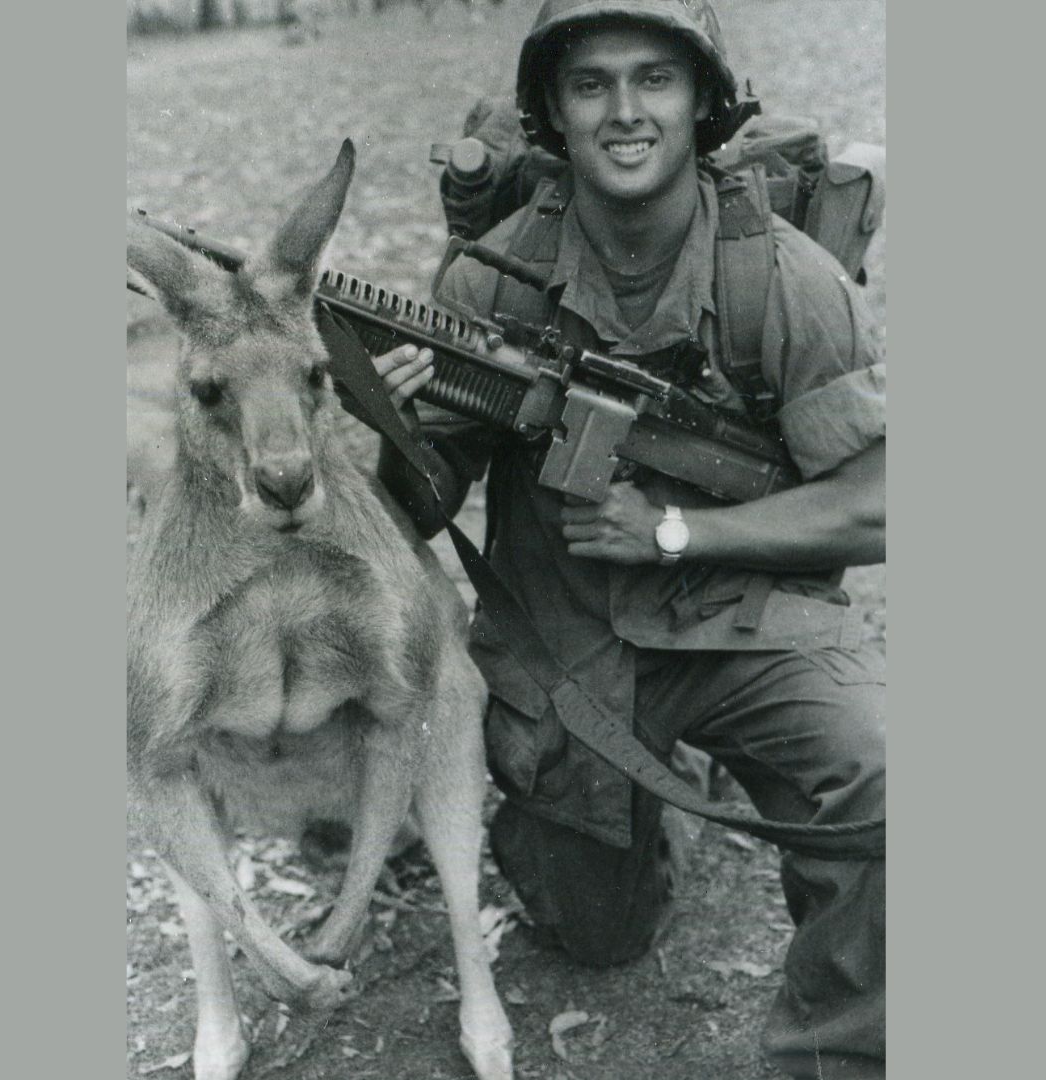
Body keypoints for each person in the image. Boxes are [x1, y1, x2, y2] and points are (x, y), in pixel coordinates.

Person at [372, 2, 886, 1076]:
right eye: (591, 84)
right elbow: (417, 508)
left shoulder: (783, 278)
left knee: (887, 782)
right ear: (552, 112)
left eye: (654, 79)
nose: (624, 112)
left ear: (703, 100)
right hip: (566, 649)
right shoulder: (488, 275)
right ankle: (654, 796)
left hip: (739, 624)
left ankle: (838, 1053)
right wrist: (392, 424)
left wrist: (676, 530)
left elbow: (880, 504)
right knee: (598, 936)